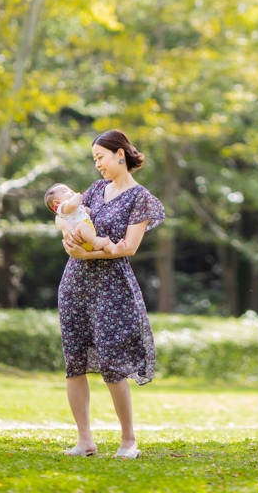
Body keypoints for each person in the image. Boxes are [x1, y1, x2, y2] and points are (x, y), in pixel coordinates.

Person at [57, 128, 165, 459]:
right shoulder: (95, 189)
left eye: (100, 157)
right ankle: (85, 440)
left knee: (111, 362)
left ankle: (128, 441)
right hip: (75, 284)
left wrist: (86, 254)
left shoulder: (140, 198)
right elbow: (71, 221)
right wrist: (69, 242)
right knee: (74, 362)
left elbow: (128, 248)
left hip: (111, 287)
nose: (98, 165)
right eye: (94, 160)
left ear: (120, 154)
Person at [45, 182, 127, 255]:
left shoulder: (75, 208)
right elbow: (72, 205)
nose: (71, 191)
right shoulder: (62, 207)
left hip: (89, 237)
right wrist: (77, 196)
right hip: (80, 237)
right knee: (83, 226)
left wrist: (85, 212)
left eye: (70, 189)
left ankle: (114, 250)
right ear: (56, 203)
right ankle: (95, 242)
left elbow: (78, 213)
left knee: (105, 242)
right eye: (65, 191)